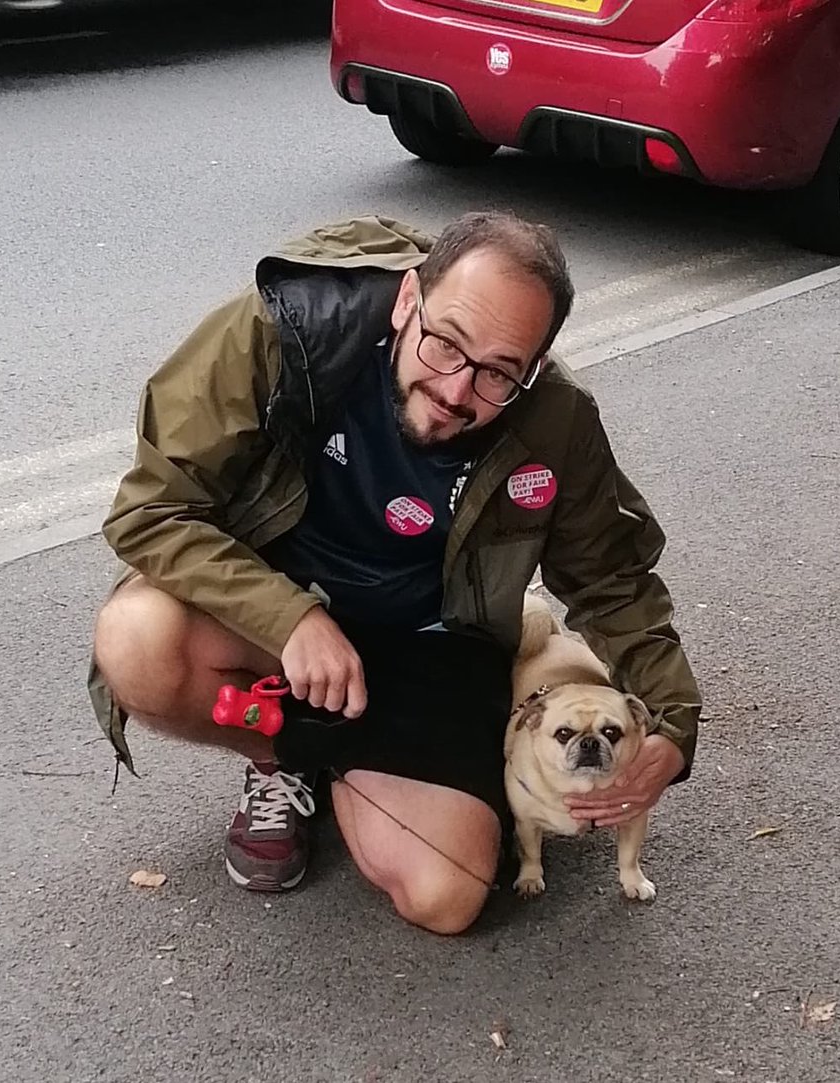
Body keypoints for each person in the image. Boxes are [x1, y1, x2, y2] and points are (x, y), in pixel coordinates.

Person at [88, 211, 701, 936]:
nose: (456, 388)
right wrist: (288, 617)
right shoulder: (284, 332)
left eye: (499, 372)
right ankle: (281, 757)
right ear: (407, 300)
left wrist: (673, 723)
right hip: (273, 617)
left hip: (431, 640)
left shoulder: (556, 421)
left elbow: (614, 580)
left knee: (450, 895)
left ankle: (342, 751)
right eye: (445, 343)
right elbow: (150, 512)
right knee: (135, 638)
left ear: (532, 369)